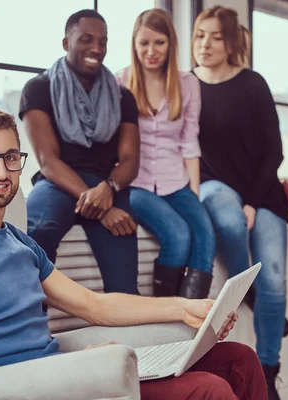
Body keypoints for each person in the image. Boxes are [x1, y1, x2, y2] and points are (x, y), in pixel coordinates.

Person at [0, 106, 267, 399]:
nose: (1, 171)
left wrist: (186, 308)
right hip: (40, 388)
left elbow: (93, 305)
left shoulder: (19, 241)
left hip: (71, 376)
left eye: (10, 158)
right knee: (209, 390)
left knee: (238, 359)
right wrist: (73, 371)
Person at [192, 6, 288, 399]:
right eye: (200, 35)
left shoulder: (253, 84)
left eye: (216, 37)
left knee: (275, 283)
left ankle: (268, 373)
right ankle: (248, 292)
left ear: (231, 42)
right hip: (214, 186)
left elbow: (274, 151)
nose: (206, 44)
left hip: (263, 192)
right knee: (230, 224)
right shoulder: (185, 84)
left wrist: (252, 201)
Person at [19, 9, 140, 295]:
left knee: (124, 287)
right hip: (59, 182)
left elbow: (130, 160)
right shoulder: (39, 88)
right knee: (36, 231)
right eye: (86, 39)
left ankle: (124, 337)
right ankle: (32, 320)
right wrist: (102, 208)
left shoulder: (122, 96)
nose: (96, 49)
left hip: (108, 185)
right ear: (66, 43)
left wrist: (109, 190)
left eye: (103, 42)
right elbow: (48, 161)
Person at [116, 9, 215, 299]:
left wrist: (193, 192)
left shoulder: (188, 84)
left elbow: (189, 141)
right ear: (134, 44)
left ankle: (193, 323)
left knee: (206, 236)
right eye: (144, 43)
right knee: (178, 235)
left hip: (177, 181)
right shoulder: (120, 81)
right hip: (136, 184)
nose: (151, 51)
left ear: (170, 43)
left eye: (158, 42)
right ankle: (167, 318)